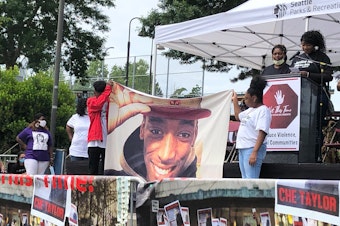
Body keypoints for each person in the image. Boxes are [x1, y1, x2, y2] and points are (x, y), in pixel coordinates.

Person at [106, 82, 211, 181]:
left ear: (195, 136)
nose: (166, 156)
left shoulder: (200, 192)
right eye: (156, 131)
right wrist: (107, 126)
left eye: (184, 134)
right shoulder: (112, 182)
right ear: (142, 129)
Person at [291, 30, 333, 161]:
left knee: (315, 128)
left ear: (315, 45)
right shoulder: (297, 58)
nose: (304, 47)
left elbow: (328, 76)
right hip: (299, 98)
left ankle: (316, 156)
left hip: (317, 97)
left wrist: (308, 75)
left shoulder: (322, 58)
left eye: (308, 45)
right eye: (302, 45)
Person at [232, 76, 272, 178]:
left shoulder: (263, 111)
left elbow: (262, 132)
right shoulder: (250, 110)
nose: (245, 101)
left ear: (254, 98)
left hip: (251, 148)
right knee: (245, 179)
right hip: (243, 148)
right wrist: (235, 101)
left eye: (246, 98)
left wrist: (255, 152)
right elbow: (238, 116)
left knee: (251, 179)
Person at [87, 80, 113, 175]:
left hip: (107, 138)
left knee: (105, 170)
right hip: (94, 139)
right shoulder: (91, 101)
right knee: (93, 169)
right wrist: (107, 89)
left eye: (96, 91)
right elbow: (98, 104)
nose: (94, 92)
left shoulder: (110, 103)